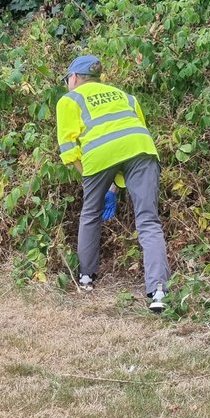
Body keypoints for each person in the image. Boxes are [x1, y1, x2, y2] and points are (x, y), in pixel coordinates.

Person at [56, 54, 170, 313]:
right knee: (149, 221)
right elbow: (128, 136)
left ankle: (86, 278)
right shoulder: (125, 96)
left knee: (90, 215)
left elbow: (68, 149)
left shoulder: (70, 99)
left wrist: (91, 179)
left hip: (99, 156)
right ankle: (158, 291)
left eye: (67, 79)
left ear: (74, 78)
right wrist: (113, 186)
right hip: (142, 149)